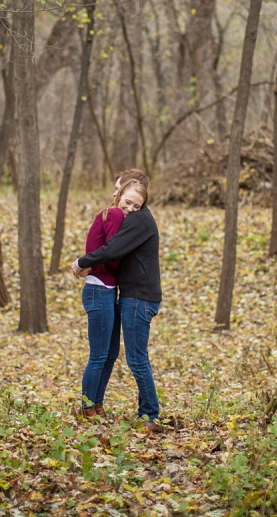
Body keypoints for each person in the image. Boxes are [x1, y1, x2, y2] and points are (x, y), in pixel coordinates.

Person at [72, 174, 163, 432]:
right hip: (130, 295)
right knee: (117, 355)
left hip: (138, 298)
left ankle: (150, 416)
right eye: (127, 200)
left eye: (136, 204)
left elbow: (112, 251)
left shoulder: (137, 220)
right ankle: (95, 406)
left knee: (135, 358)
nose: (130, 207)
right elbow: (111, 250)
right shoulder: (127, 217)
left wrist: (83, 262)